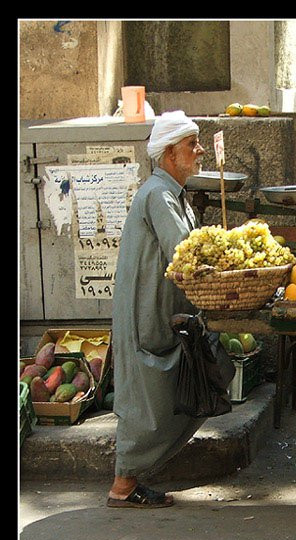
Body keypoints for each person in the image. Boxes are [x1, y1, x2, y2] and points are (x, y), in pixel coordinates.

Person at [107, 110, 207, 508]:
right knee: (146, 401)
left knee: (178, 392)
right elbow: (184, 252)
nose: (199, 152)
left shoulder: (172, 193)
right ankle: (123, 485)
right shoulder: (158, 195)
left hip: (161, 312)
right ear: (170, 154)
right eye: (191, 145)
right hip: (146, 315)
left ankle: (130, 478)